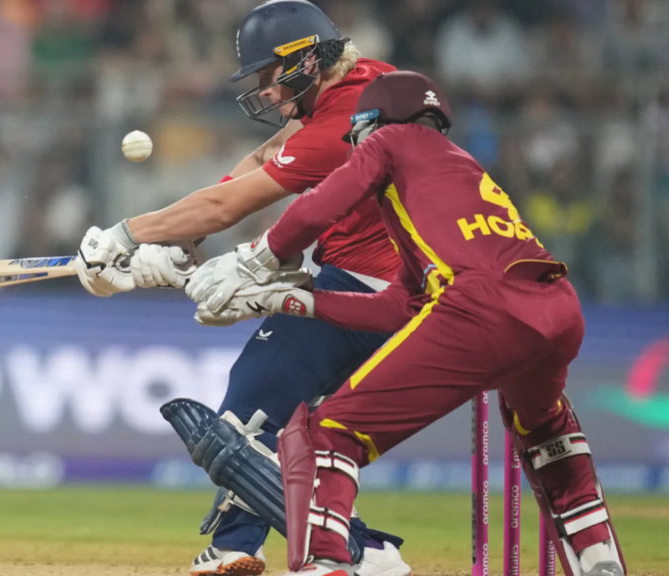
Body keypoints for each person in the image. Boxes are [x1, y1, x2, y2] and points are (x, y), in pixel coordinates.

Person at [187, 71, 627, 576]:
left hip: (480, 307)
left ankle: (325, 563)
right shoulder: (459, 172)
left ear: (376, 124)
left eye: (359, 133)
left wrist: (257, 258)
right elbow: (398, 308)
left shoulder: (392, 141)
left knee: (326, 432)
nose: (356, 147)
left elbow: (317, 206)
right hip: (556, 308)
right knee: (546, 432)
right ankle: (598, 556)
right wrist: (288, 300)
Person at [74, 2, 409, 575]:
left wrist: (125, 234)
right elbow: (264, 157)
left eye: (269, 75)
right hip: (394, 282)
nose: (265, 90)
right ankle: (237, 544)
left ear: (305, 60)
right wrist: (185, 239)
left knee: (245, 415)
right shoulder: (366, 80)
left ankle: (362, 552)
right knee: (282, 420)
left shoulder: (339, 123)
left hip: (368, 286)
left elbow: (228, 204)